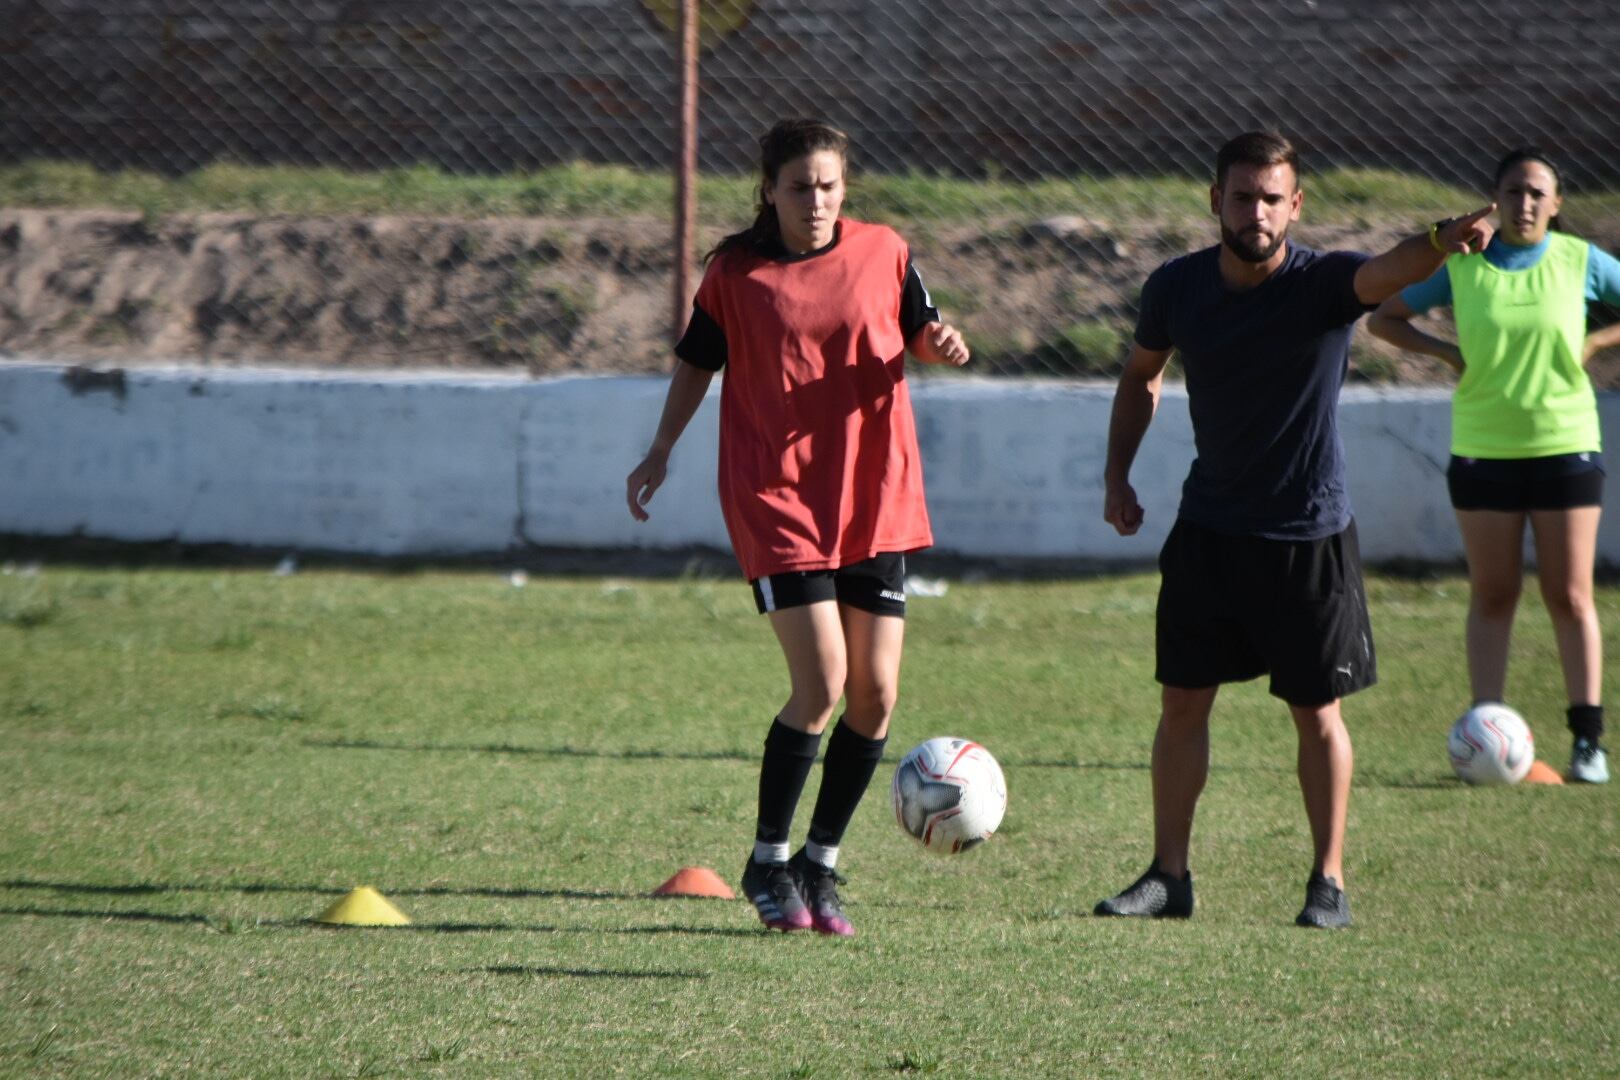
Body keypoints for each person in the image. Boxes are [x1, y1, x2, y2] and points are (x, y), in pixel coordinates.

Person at [1098, 130, 1496, 928]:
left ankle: (1329, 884)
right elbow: (1142, 376)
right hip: (1210, 527)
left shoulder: (1325, 284)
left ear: (1295, 204)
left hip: (1308, 535)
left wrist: (1439, 241)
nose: (1257, 212)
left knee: (1318, 715)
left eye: (1272, 198)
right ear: (1216, 200)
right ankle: (1167, 876)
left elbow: (1390, 271)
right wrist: (1118, 475)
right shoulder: (1175, 287)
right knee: (1182, 705)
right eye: (1242, 196)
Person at [625, 118, 970, 936]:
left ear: (844, 188)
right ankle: (766, 861)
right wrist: (661, 448)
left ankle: (820, 865)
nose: (814, 201)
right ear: (768, 192)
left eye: (827, 186)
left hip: (873, 492)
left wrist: (938, 341)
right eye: (797, 187)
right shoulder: (736, 274)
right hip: (777, 496)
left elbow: (917, 326)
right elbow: (697, 361)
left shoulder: (884, 250)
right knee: (821, 684)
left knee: (875, 696)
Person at [1368, 148, 1620, 784]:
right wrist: (1448, 355)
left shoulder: (1579, 261)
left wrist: (1598, 338)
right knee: (1495, 593)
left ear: (1557, 204)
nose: (1525, 204)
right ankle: (1485, 734)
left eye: (1538, 193)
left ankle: (1588, 742)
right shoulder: (1463, 265)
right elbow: (1385, 318)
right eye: (1513, 192)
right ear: (1496, 199)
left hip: (1566, 444)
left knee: (1569, 595)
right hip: (1483, 448)